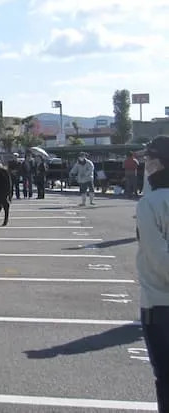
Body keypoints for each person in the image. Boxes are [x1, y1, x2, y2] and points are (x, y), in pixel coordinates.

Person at [135, 135, 169, 411]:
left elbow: (159, 258)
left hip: (159, 304)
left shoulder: (149, 204)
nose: (145, 164)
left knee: (166, 378)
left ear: (159, 164)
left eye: (148, 159)